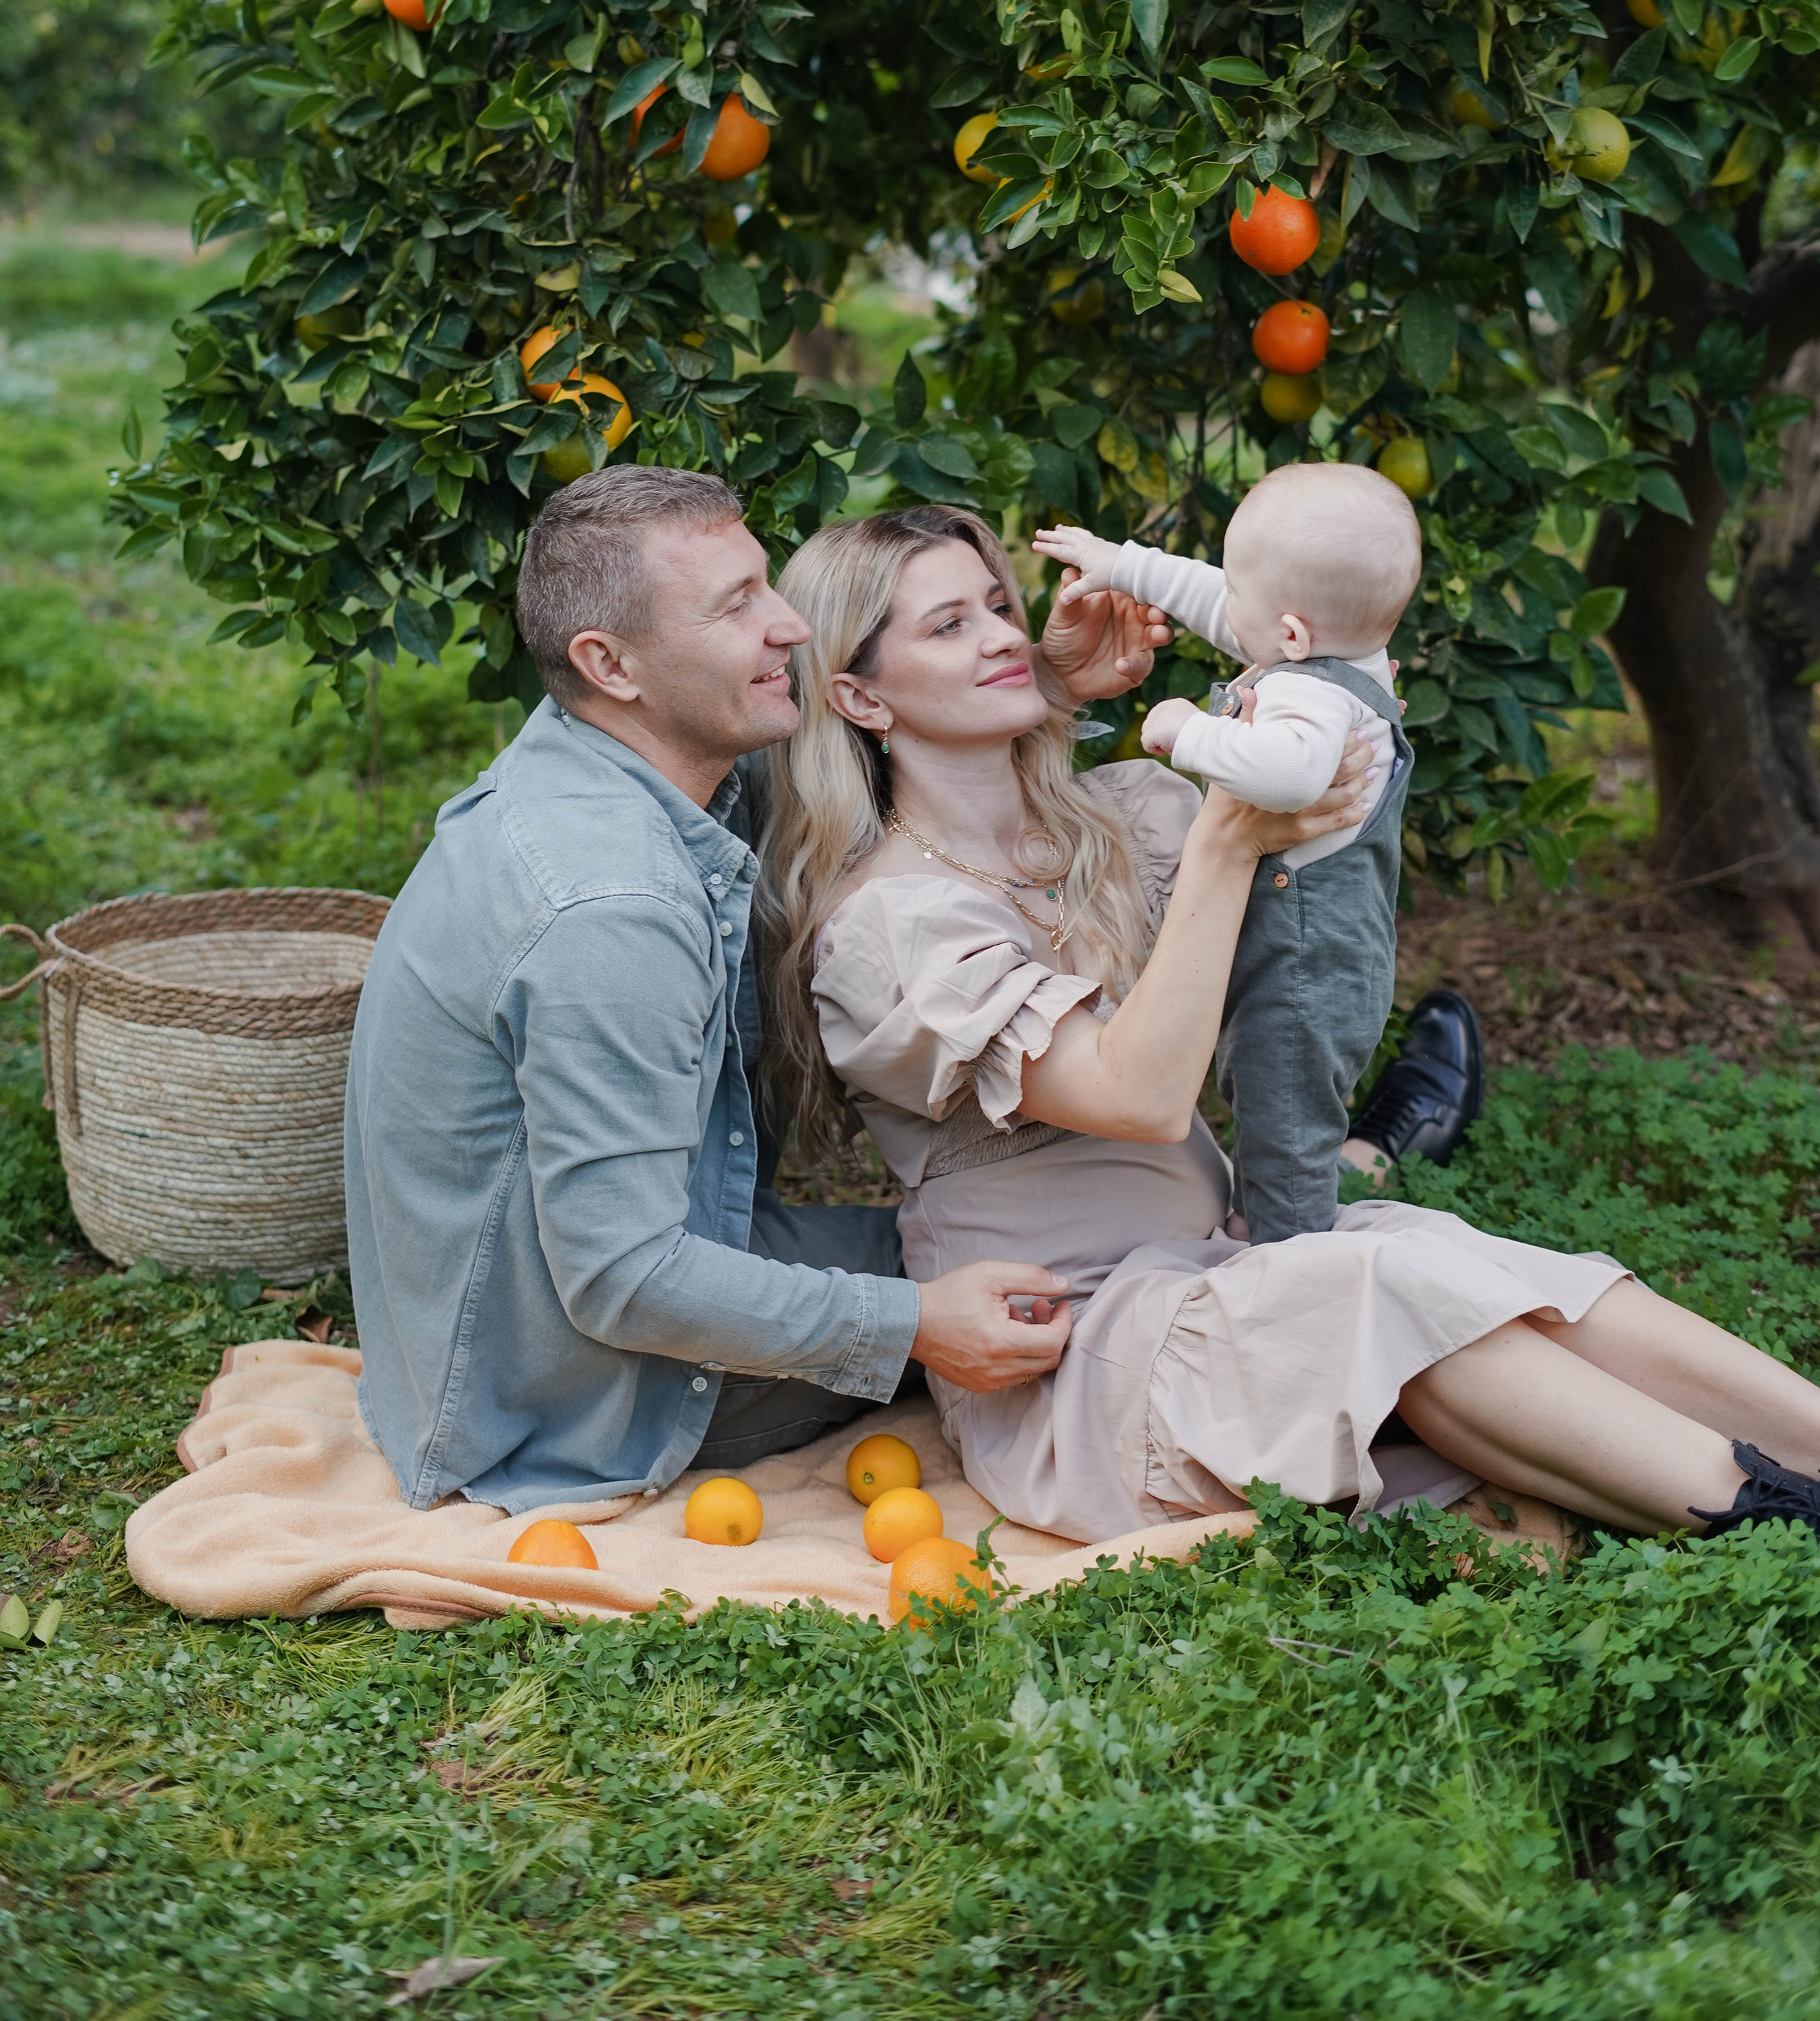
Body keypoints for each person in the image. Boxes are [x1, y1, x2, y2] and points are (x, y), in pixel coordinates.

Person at [761, 503, 1820, 1549]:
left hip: (1227, 1258)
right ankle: (1768, 1517)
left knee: (1443, 1255)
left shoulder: (1109, 822)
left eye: (1000, 605)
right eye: (949, 626)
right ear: (857, 694)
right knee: (1368, 1288)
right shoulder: (889, 927)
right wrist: (1228, 843)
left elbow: (1297, 959)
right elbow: (1139, 1096)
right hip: (1082, 1354)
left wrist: (1315, 713)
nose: (1001, 635)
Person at [342, 466, 1165, 1513]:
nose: (790, 626)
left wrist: (1042, 684)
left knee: (1030, 1249)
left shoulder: (633, 758)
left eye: (766, 583)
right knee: (1054, 1294)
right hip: (568, 1397)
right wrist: (916, 1326)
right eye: (737, 607)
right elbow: (624, 1279)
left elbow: (862, 753)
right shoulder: (611, 908)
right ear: (610, 663)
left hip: (577, 1281)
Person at [1033, 465, 1427, 1245]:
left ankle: (1289, 1248)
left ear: (1291, 636)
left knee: (1283, 1114)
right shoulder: (1337, 651)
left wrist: (1188, 730)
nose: (1221, 602)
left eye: (1237, 590)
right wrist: (1124, 565)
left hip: (1306, 966)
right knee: (1274, 1100)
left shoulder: (1309, 695)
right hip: (1323, 949)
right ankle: (1271, 1211)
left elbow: (1291, 776)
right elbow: (1221, 601)